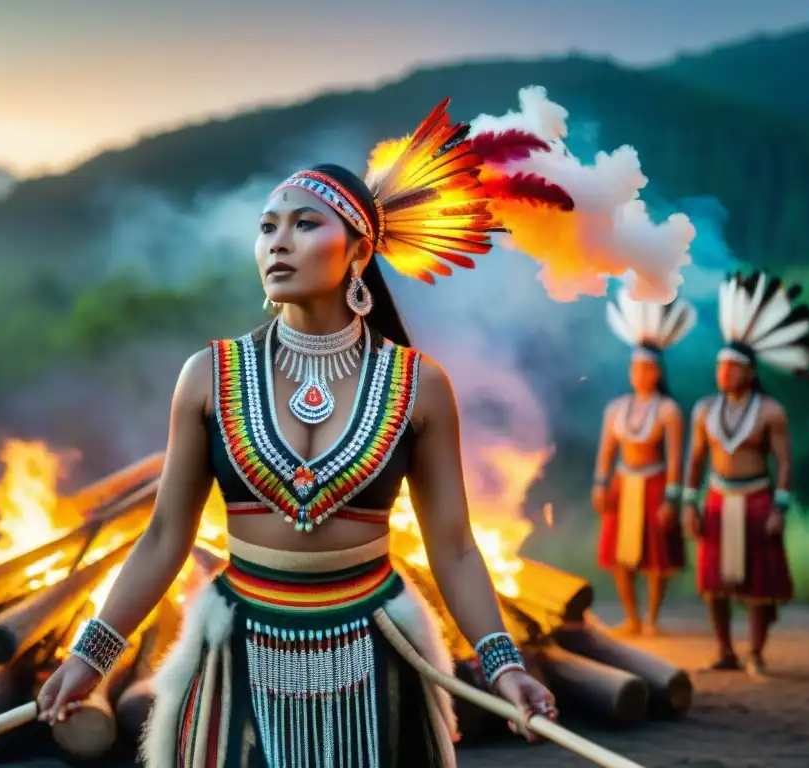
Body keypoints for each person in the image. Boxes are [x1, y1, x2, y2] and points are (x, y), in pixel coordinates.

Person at [36, 99, 572, 767]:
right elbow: (166, 535)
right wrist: (93, 652)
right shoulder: (207, 376)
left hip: (375, 653)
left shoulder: (419, 385)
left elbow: (456, 547)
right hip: (238, 653)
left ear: (359, 251)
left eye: (303, 223)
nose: (277, 242)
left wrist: (502, 666)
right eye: (266, 227)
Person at [683, 270, 809, 676]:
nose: (722, 372)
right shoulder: (704, 411)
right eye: (720, 366)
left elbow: (786, 462)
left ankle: (756, 653)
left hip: (757, 497)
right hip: (719, 499)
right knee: (712, 582)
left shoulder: (772, 412)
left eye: (731, 367)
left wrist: (780, 508)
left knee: (760, 582)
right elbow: (694, 461)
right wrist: (690, 503)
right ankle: (725, 650)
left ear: (750, 372)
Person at [593, 291, 697, 636]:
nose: (639, 373)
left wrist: (672, 498)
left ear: (656, 372)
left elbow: (677, 459)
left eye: (646, 368)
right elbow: (606, 451)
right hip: (623, 484)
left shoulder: (668, 411)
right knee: (620, 557)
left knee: (655, 557)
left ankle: (652, 619)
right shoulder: (615, 408)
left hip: (654, 483)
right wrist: (599, 483)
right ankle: (632, 618)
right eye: (634, 367)